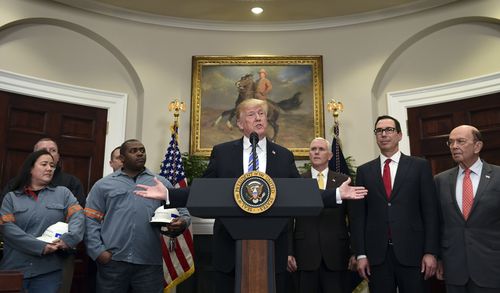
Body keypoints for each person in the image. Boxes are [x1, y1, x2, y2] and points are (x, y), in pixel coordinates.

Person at [135, 99, 367, 293]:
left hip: (272, 245)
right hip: (230, 243)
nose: (258, 118)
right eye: (251, 114)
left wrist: (336, 194)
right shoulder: (223, 153)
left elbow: (301, 194)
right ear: (239, 123)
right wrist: (169, 193)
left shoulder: (283, 155)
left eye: (262, 114)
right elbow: (203, 190)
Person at [84, 139, 191, 293]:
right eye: (133, 151)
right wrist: (98, 252)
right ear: (122, 159)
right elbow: (90, 220)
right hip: (113, 262)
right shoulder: (103, 185)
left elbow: (183, 213)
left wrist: (181, 222)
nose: (140, 153)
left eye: (142, 150)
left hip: (149, 263)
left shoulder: (160, 183)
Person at [350, 115, 440, 293]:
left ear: (399, 135)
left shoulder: (419, 166)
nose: (383, 134)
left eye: (389, 130)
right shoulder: (364, 171)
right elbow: (358, 216)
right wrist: (360, 254)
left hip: (414, 254)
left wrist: (431, 251)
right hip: (377, 256)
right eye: (379, 131)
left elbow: (430, 212)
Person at [0, 150, 85, 293]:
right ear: (30, 169)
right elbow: (7, 229)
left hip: (48, 271)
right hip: (15, 268)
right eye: (44, 164)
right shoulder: (11, 198)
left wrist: (69, 239)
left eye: (52, 165)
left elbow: (78, 217)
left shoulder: (63, 193)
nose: (49, 168)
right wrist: (40, 246)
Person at [434, 125, 500, 293]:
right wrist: (439, 258)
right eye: (450, 142)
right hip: (454, 268)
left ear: (477, 146)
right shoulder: (440, 180)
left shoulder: (498, 176)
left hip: (492, 266)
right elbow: (438, 223)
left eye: (460, 141)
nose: (454, 146)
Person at [287, 137, 353, 293]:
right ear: (309, 154)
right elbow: (289, 220)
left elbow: (354, 219)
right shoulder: (298, 181)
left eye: (321, 149)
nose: (316, 152)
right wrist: (289, 252)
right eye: (313, 149)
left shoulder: (343, 181)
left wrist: (355, 252)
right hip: (305, 254)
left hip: (336, 254)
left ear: (330, 155)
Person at [1, 138, 86, 207]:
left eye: (53, 150)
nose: (48, 153)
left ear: (58, 157)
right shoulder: (16, 183)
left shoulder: (72, 183)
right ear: (33, 156)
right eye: (43, 150)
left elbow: (78, 214)